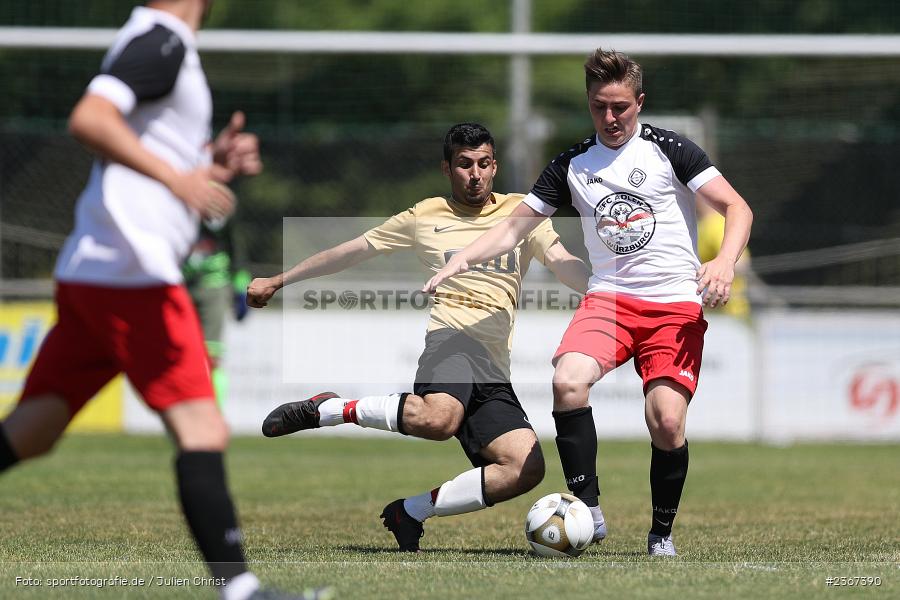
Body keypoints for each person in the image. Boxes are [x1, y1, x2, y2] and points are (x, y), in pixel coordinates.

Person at [0, 2, 327, 599]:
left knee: (34, 429)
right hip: (135, 275)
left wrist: (210, 166)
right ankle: (241, 589)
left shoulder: (160, 42)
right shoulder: (163, 40)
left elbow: (139, 150)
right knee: (201, 425)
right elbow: (91, 119)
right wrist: (180, 179)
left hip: (96, 270)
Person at [424, 49, 753, 557]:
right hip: (610, 302)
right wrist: (460, 259)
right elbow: (514, 227)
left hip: (673, 307)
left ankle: (660, 533)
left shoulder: (671, 150)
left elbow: (737, 207)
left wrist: (725, 263)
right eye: (600, 106)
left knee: (666, 420)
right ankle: (588, 508)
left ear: (639, 102)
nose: (611, 117)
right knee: (567, 382)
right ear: (589, 104)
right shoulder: (573, 164)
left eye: (621, 106)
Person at [248, 123, 591, 552]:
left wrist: (603, 287)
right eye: (464, 164)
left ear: (495, 166)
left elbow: (561, 260)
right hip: (451, 339)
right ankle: (330, 410)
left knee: (524, 468)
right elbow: (351, 250)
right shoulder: (424, 215)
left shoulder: (522, 212)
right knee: (438, 419)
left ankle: (408, 512)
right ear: (447, 169)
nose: (476, 174)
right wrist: (280, 279)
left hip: (493, 364)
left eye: (484, 164)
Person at [183, 216, 253, 408]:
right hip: (179, 285)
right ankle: (186, 414)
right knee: (182, 356)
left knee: (210, 356)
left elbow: (234, 246)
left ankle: (212, 413)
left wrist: (240, 284)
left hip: (213, 285)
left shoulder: (218, 204)